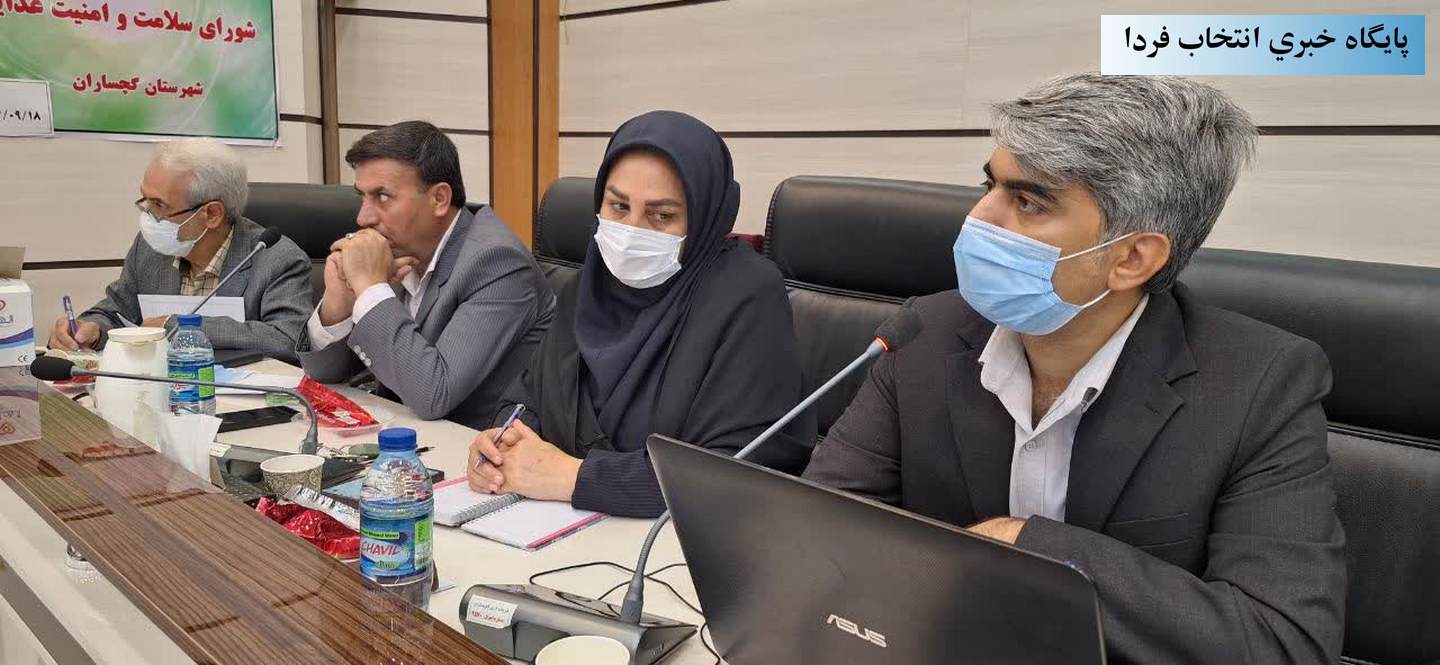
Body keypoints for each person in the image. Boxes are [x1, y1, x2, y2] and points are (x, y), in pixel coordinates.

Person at [803, 74, 1345, 663]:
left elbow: (1281, 643)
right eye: (989, 185)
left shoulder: (1262, 384)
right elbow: (816, 527)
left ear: (1131, 257)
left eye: (1029, 202)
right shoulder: (923, 334)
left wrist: (1027, 548)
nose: (979, 218)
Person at [467, 111, 813, 518]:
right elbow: (526, 399)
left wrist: (575, 478)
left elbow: (735, 474)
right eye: (618, 206)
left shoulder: (747, 296)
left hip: (671, 543)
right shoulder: (590, 284)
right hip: (555, 527)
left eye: (661, 215)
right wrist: (501, 444)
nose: (632, 230)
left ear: (705, 218)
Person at [298, 121, 554, 429]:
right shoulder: (399, 249)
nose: (363, 217)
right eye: (362, 197)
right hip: (404, 436)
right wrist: (338, 303)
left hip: (474, 447)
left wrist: (370, 288)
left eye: (382, 196)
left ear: (439, 199)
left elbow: (433, 394)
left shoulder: (497, 263)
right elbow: (324, 374)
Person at [46, 138, 312, 362]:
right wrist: (92, 329)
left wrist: (176, 326)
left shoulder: (277, 258)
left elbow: (288, 339)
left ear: (211, 214)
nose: (147, 215)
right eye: (145, 200)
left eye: (159, 205)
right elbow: (116, 311)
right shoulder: (149, 249)